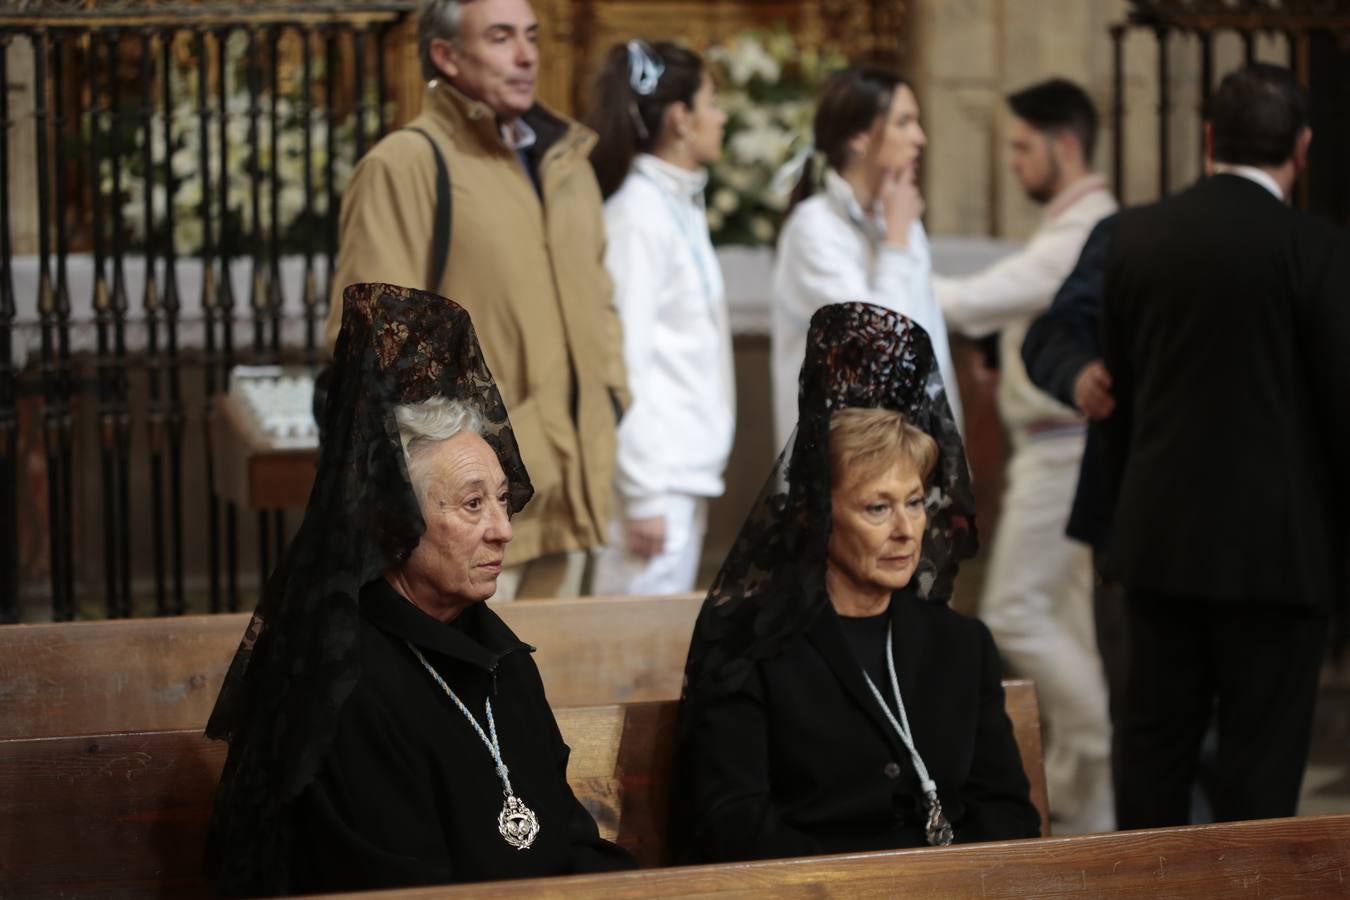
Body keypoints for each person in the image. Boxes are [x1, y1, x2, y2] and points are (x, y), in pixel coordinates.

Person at [206, 284, 635, 896]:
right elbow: (392, 881)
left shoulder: (504, 662)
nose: (504, 531)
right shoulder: (339, 683)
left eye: (503, 502)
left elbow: (565, 841)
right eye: (471, 504)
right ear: (395, 519)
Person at [675, 302, 1041, 863]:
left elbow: (1008, 811)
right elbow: (735, 824)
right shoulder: (749, 646)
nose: (905, 530)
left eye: (915, 503)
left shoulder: (962, 645)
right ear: (818, 517)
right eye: (876, 507)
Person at [1101, 64, 1350, 829]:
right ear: (1301, 148)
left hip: (1160, 547)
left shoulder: (1136, 237)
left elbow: (1122, 401)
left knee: (1151, 758)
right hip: (1279, 559)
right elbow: (1341, 414)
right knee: (1262, 775)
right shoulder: (1318, 250)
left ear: (1209, 138)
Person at [323, 0, 629, 599]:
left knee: (560, 688)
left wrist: (611, 400)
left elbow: (602, 305)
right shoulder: (404, 166)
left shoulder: (569, 166)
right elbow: (377, 349)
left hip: (577, 488)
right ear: (446, 55)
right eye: (500, 37)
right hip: (471, 515)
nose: (526, 55)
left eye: (531, 37)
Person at [932, 79, 1118, 834]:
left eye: (1020, 145)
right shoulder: (1067, 226)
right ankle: (1092, 816)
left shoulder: (1086, 230)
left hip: (1064, 449)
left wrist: (893, 264)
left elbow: (977, 300)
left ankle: (1106, 741)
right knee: (1069, 629)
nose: (1012, 161)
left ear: (1062, 145)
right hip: (1056, 447)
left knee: (1013, 611)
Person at [585, 40, 734, 595]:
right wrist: (643, 492)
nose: (720, 117)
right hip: (654, 482)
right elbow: (623, 360)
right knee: (631, 665)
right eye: (711, 102)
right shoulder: (638, 216)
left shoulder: (675, 204)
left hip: (680, 474)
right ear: (679, 119)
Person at [771, 67, 961, 450]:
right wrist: (894, 243)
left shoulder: (904, 224)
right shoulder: (814, 229)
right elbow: (877, 344)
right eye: (903, 123)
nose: (919, 138)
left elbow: (930, 349)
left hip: (915, 456)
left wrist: (952, 455)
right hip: (844, 464)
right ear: (859, 137)